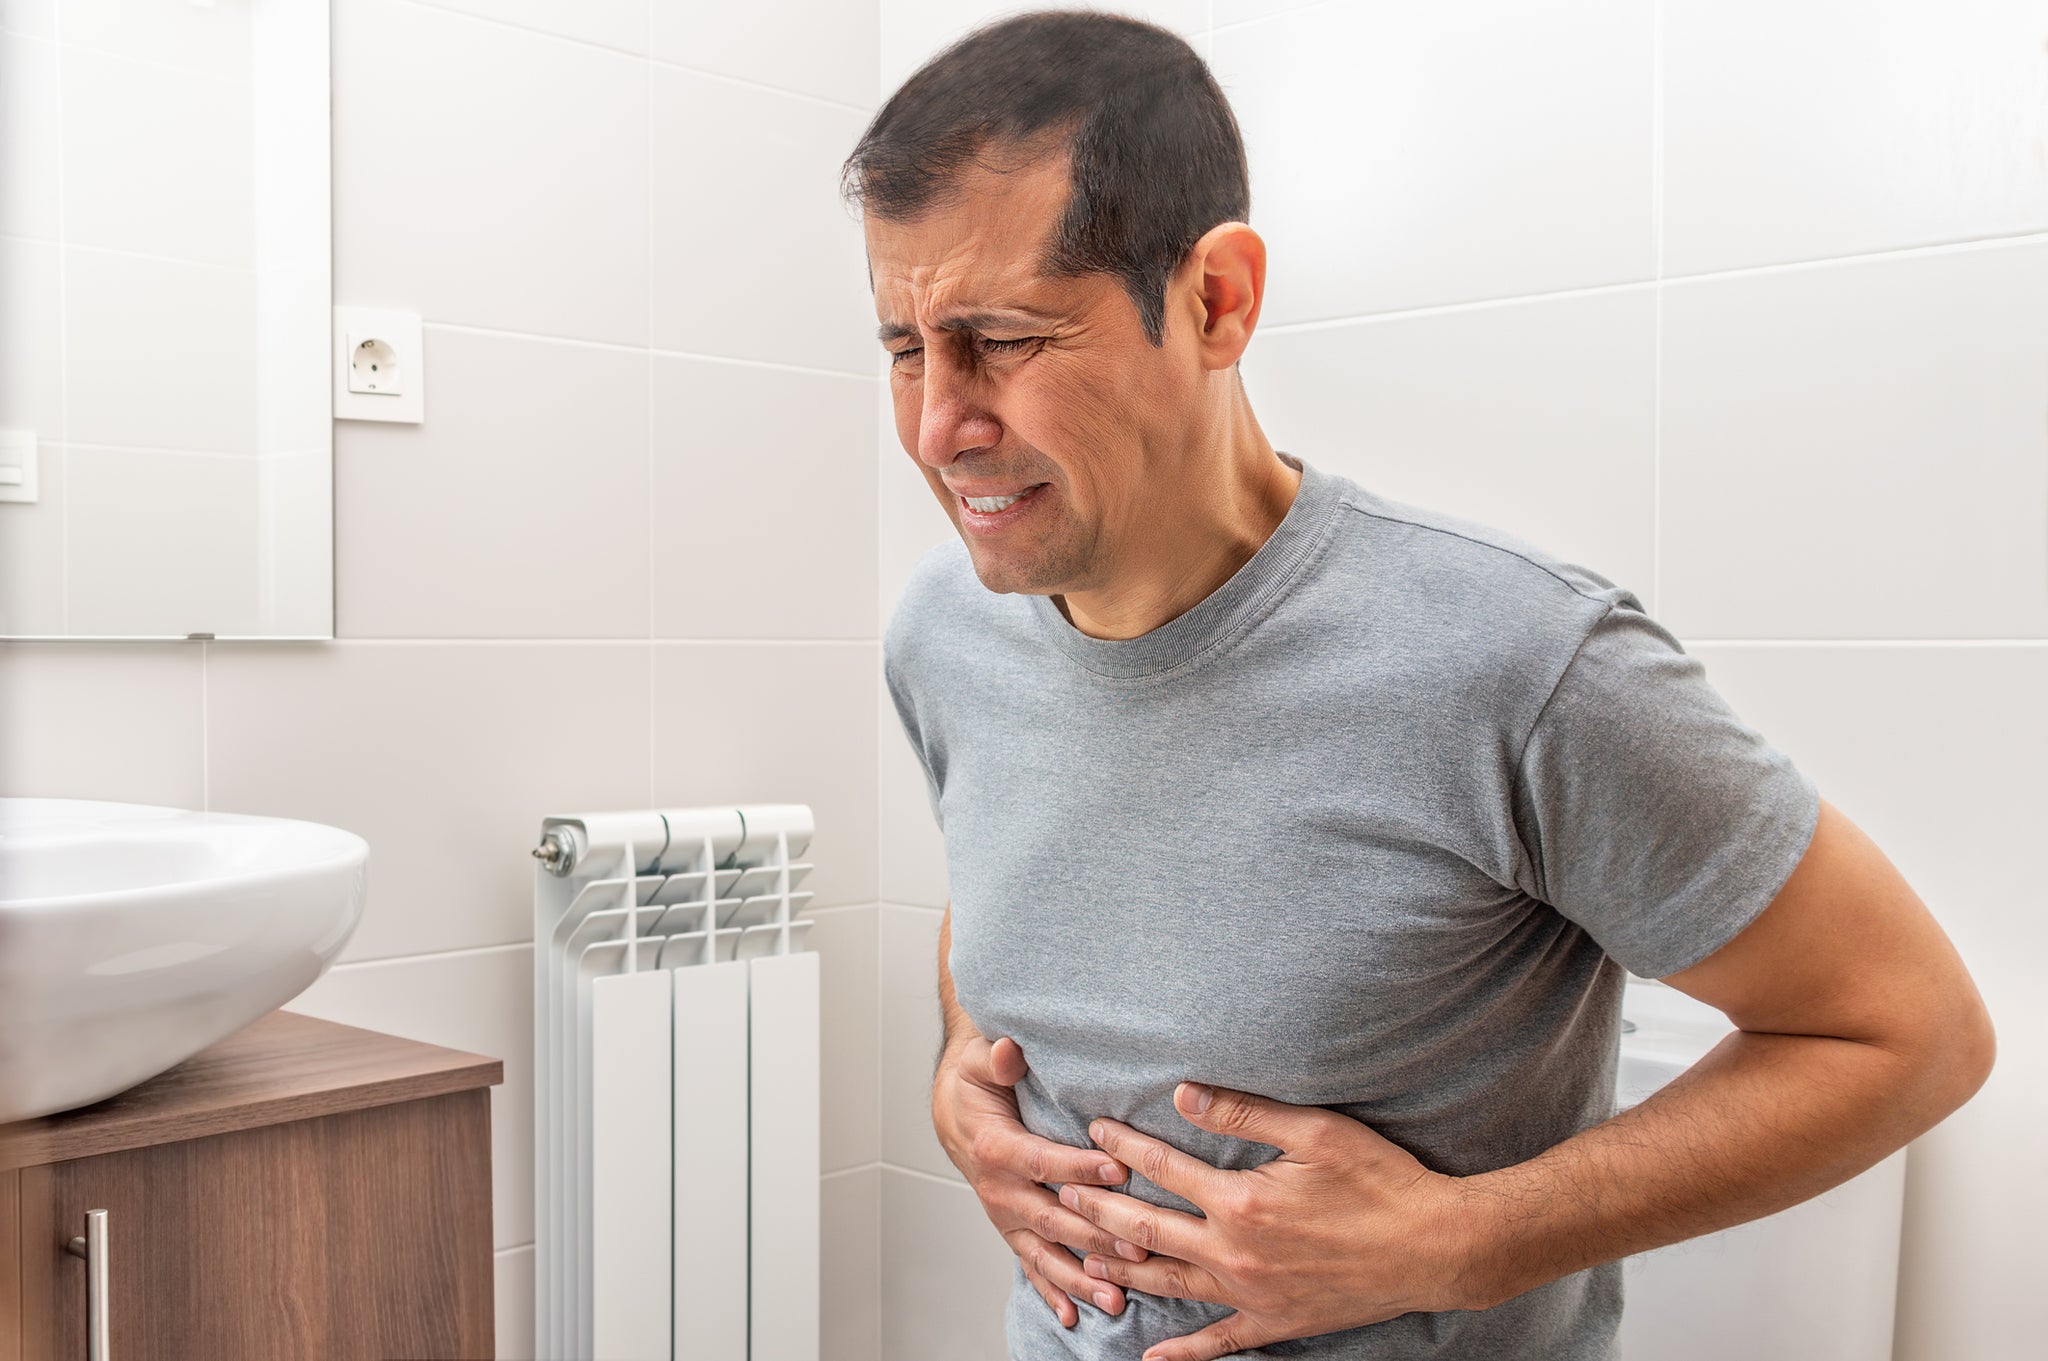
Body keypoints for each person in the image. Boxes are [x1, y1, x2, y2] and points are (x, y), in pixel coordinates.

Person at [842, 12, 1995, 1361]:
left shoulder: (1515, 664)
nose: (938, 427)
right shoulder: (945, 630)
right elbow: (1004, 895)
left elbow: (1910, 1034)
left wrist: (1461, 1238)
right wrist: (960, 1075)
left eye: (1008, 339)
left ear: (1217, 301)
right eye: (907, 349)